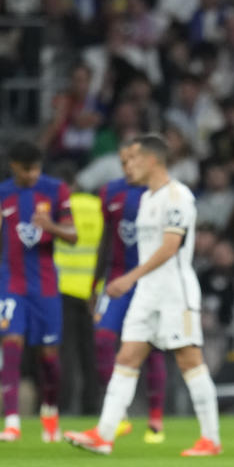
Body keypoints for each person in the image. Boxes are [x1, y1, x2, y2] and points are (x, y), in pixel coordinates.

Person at [64, 134, 221, 456]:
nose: (128, 167)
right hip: (147, 293)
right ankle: (104, 434)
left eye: (134, 160)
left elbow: (170, 247)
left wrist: (127, 279)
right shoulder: (147, 199)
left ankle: (210, 438)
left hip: (175, 292)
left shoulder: (178, 196)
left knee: (189, 361)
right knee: (126, 358)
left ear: (152, 160)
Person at [0, 141, 77, 443]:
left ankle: (50, 414)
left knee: (48, 356)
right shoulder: (0, 195)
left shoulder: (56, 190)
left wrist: (51, 226)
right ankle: (11, 422)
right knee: (11, 347)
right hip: (12, 284)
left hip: (45, 286)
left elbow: (73, 235)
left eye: (37, 167)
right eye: (27, 169)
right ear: (14, 167)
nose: (34, 174)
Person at [91, 140, 169, 443]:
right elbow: (107, 239)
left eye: (133, 161)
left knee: (152, 348)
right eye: (124, 162)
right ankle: (119, 416)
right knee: (102, 339)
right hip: (116, 279)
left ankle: (155, 419)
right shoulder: (110, 193)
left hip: (151, 282)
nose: (128, 167)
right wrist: (94, 283)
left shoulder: (164, 194)